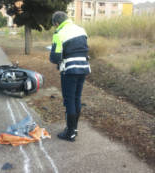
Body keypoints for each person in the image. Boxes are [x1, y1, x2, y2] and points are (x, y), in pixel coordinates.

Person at [49, 11, 91, 142]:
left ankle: (70, 133)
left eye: (54, 25)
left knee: (69, 100)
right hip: (84, 67)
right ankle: (74, 128)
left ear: (56, 23)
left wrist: (54, 55)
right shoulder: (81, 30)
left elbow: (55, 58)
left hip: (70, 70)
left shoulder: (59, 34)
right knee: (77, 98)